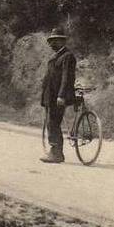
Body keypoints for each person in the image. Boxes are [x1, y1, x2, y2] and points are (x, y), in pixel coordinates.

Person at [40, 27, 77, 164]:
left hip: (58, 96)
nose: (51, 44)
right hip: (50, 95)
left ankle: (56, 153)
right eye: (50, 41)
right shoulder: (55, 56)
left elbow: (67, 78)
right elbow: (48, 77)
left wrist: (61, 95)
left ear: (62, 41)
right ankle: (54, 151)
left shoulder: (68, 56)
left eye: (55, 41)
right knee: (51, 122)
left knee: (53, 123)